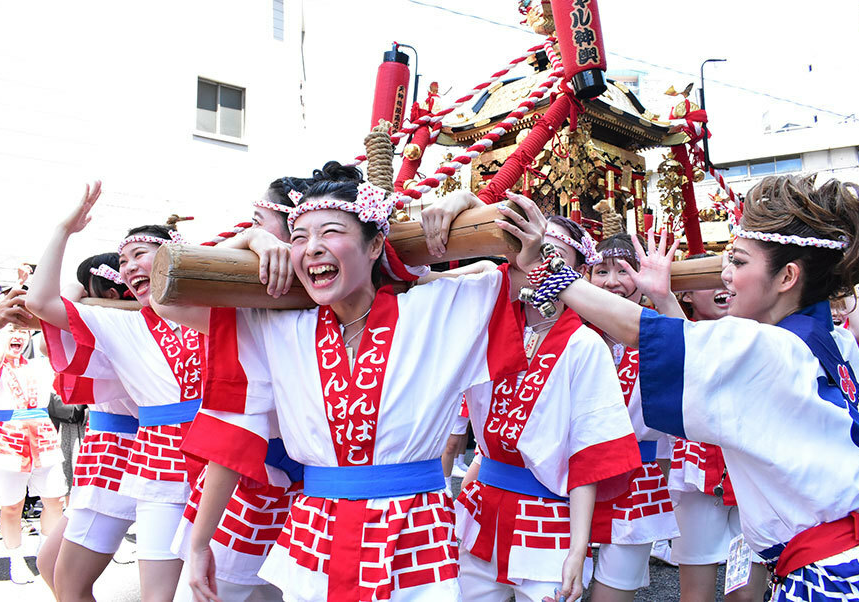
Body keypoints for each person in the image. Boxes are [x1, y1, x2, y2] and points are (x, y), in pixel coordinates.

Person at [153, 181, 548, 601]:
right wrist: (248, 238)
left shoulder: (437, 308)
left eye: (331, 232)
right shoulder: (279, 325)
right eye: (300, 237)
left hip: (414, 534)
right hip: (314, 533)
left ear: (376, 244)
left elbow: (528, 276)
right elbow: (169, 301)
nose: (312, 248)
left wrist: (470, 202)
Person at [541, 175, 859, 601]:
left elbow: (638, 329)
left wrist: (549, 269)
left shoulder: (766, 347)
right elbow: (690, 344)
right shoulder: (833, 341)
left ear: (787, 276)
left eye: (738, 261)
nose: (726, 274)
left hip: (832, 574)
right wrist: (662, 296)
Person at [448, 215, 642, 602]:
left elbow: (588, 452)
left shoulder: (584, 345)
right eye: (526, 252)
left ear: (578, 271)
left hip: (548, 519)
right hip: (481, 512)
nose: (536, 263)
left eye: (551, 254)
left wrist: (577, 548)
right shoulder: (488, 327)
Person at [27, 181, 204, 601]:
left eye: (139, 255)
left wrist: (252, 235)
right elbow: (41, 300)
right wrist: (63, 231)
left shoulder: (219, 310)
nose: (129, 267)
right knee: (149, 595)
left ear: (174, 256)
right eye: (123, 261)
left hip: (222, 459)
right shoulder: (126, 325)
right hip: (161, 463)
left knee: (224, 589)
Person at [172, 173, 323, 602]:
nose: (247, 228)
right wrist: (251, 239)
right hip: (252, 486)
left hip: (316, 495)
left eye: (257, 220)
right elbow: (170, 295)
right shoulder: (255, 311)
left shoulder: (348, 305)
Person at [36, 252, 141, 602]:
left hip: (120, 457)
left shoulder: (123, 329)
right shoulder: (114, 325)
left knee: (71, 586)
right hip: (103, 452)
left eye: (89, 289)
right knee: (49, 564)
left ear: (110, 297)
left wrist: (72, 290)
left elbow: (47, 309)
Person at [584, 234, 679, 602]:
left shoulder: (662, 330)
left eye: (624, 271)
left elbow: (698, 358)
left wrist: (664, 297)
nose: (611, 281)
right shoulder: (565, 333)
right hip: (565, 480)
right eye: (600, 271)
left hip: (636, 481)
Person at [670, 253, 766, 602]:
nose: (723, 284)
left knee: (747, 595)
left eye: (730, 274)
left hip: (751, 474)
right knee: (696, 595)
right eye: (707, 278)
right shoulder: (675, 333)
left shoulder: (762, 331)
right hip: (697, 474)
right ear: (685, 294)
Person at [0, 323, 65, 583]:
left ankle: (45, 552)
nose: (18, 336)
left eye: (23, 330)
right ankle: (15, 559)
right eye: (12, 329)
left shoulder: (38, 365)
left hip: (43, 437)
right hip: (5, 440)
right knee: (11, 506)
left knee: (55, 498)